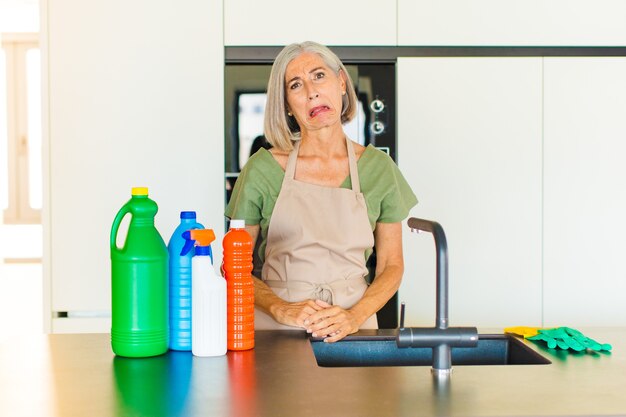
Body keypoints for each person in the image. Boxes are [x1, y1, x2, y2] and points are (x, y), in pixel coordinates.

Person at [225, 41, 417, 342]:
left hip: (354, 330)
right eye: (296, 84)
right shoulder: (262, 170)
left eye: (318, 76)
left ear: (341, 82)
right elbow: (233, 266)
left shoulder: (379, 168)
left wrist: (354, 316)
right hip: (277, 334)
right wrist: (281, 308)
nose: (312, 92)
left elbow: (392, 265)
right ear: (287, 104)